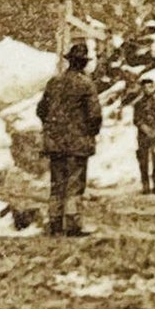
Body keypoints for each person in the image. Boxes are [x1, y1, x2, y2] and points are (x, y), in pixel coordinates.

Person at [37, 42, 102, 236]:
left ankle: (55, 223)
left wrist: (53, 128)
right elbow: (94, 115)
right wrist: (89, 132)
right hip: (77, 143)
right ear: (83, 63)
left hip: (55, 143)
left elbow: (41, 110)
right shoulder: (86, 84)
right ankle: (73, 225)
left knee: (57, 183)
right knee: (74, 184)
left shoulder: (54, 82)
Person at [132, 80, 155, 193]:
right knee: (143, 160)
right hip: (143, 135)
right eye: (146, 87)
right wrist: (145, 129)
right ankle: (145, 185)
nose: (148, 89)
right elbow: (136, 120)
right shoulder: (138, 104)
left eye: (150, 86)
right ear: (142, 89)